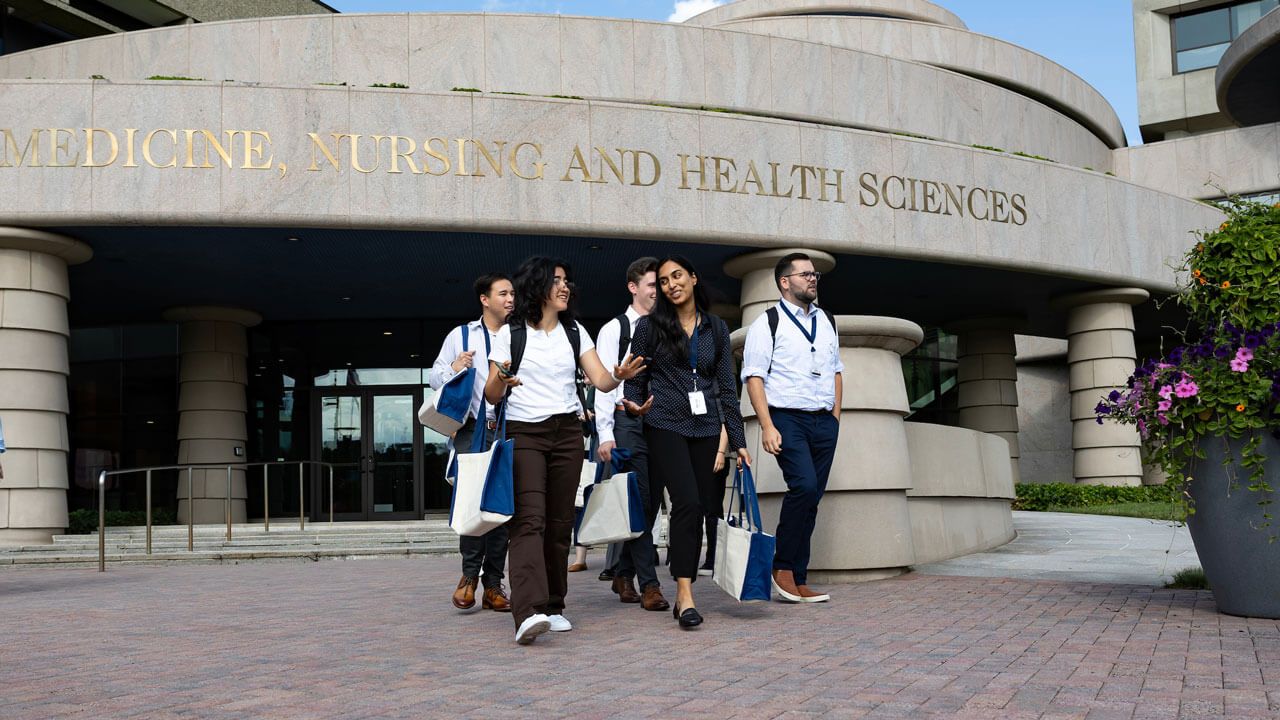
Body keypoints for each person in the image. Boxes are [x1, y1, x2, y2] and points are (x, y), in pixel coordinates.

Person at [485, 256, 646, 645]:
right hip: (525, 434)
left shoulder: (574, 332)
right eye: (556, 281)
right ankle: (527, 612)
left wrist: (618, 377)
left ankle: (554, 606)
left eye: (567, 281)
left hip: (567, 434)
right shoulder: (512, 333)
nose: (565, 287)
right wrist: (504, 380)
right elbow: (491, 393)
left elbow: (602, 381)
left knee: (559, 524)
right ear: (537, 286)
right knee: (529, 521)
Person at [623, 255, 751, 629]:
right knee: (687, 502)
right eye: (663, 281)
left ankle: (684, 588)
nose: (670, 285)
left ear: (693, 278)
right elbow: (635, 378)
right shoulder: (649, 327)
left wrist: (737, 439)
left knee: (699, 509)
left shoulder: (716, 328)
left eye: (677, 276)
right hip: (664, 422)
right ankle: (685, 594)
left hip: (708, 426)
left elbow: (727, 388)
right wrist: (634, 403)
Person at [741, 252, 842, 603]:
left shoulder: (827, 320)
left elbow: (836, 369)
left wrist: (835, 417)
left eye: (814, 274)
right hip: (787, 418)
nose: (812, 279)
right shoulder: (766, 323)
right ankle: (781, 568)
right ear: (785, 282)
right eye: (804, 274)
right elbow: (753, 378)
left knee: (812, 498)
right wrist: (767, 425)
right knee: (804, 486)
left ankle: (799, 577)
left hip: (823, 421)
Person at [428, 273, 515, 613]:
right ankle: (469, 577)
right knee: (471, 501)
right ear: (484, 298)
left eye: (513, 294)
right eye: (503, 293)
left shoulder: (519, 334)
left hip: (508, 428)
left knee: (499, 505)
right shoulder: (461, 335)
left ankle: (494, 585)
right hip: (472, 428)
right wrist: (453, 366)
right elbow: (435, 376)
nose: (510, 299)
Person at [593, 257, 670, 611]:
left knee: (651, 502)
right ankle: (649, 583)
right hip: (627, 423)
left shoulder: (668, 326)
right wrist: (605, 434)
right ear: (633, 287)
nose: (660, 290)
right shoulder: (615, 329)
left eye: (662, 284)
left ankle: (624, 571)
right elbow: (605, 385)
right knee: (638, 499)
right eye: (653, 284)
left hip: (662, 423)